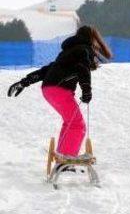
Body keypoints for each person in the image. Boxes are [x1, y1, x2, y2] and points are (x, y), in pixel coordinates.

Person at [7, 25, 112, 161]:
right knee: (77, 125)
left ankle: (62, 154)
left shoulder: (67, 52)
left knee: (70, 122)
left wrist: (24, 82)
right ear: (92, 38)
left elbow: (48, 70)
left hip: (49, 89)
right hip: (60, 90)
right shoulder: (83, 50)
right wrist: (87, 90)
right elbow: (83, 69)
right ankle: (67, 157)